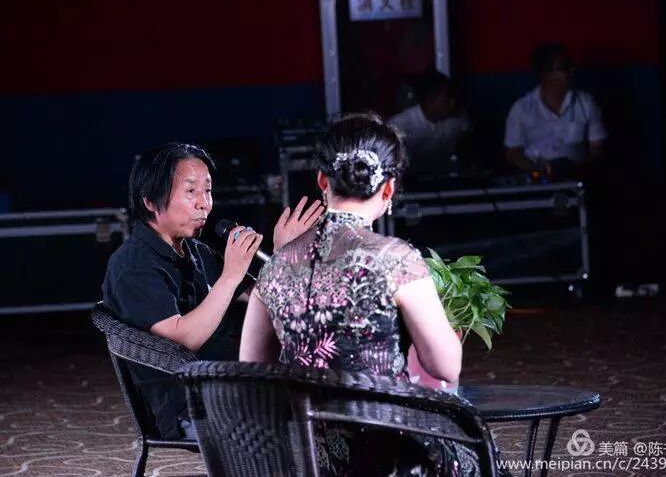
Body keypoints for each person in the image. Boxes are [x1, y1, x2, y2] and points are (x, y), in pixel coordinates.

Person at [239, 114, 479, 476]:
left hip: (308, 459)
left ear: (322, 181)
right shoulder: (396, 259)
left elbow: (252, 376)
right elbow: (446, 367)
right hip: (392, 454)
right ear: (389, 189)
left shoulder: (275, 268)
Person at [101, 142, 323, 439]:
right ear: (151, 202)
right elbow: (183, 340)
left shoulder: (195, 250)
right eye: (191, 191)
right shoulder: (132, 265)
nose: (204, 203)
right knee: (311, 417)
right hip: (191, 407)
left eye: (207, 191)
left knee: (325, 395)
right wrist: (230, 276)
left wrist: (284, 254)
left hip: (231, 383)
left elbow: (267, 297)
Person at [504, 43, 607, 180]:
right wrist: (539, 169)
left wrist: (578, 168)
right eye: (565, 68)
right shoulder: (521, 109)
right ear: (547, 75)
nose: (572, 71)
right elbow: (513, 153)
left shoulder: (586, 103)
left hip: (578, 179)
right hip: (536, 180)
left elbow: (597, 149)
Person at [390, 71, 472, 177]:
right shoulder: (400, 125)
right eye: (448, 97)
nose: (453, 103)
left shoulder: (458, 120)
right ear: (431, 99)